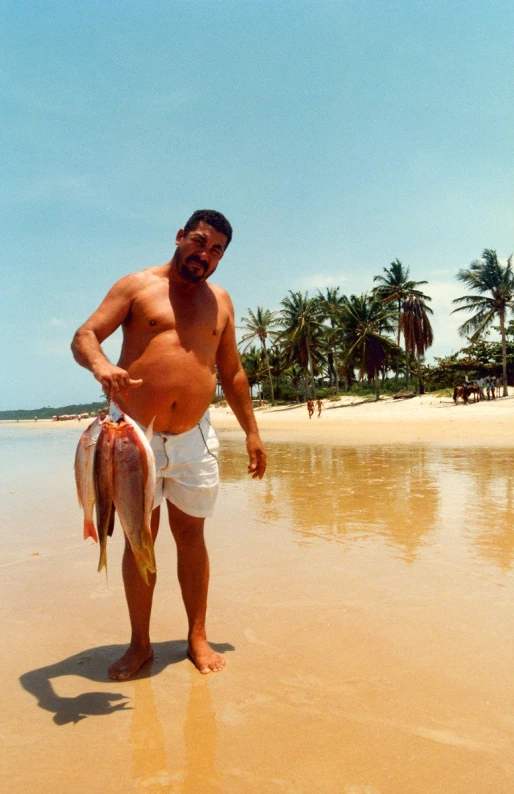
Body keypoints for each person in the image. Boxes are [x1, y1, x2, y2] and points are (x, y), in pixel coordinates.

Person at [71, 209, 266, 679]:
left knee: (192, 538)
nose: (205, 254)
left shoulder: (220, 301)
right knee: (141, 537)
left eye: (216, 249)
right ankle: (140, 645)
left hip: (195, 438)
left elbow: (233, 373)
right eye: (199, 241)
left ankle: (196, 637)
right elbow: (86, 336)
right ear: (180, 237)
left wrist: (253, 432)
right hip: (134, 437)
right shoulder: (136, 287)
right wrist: (101, 367)